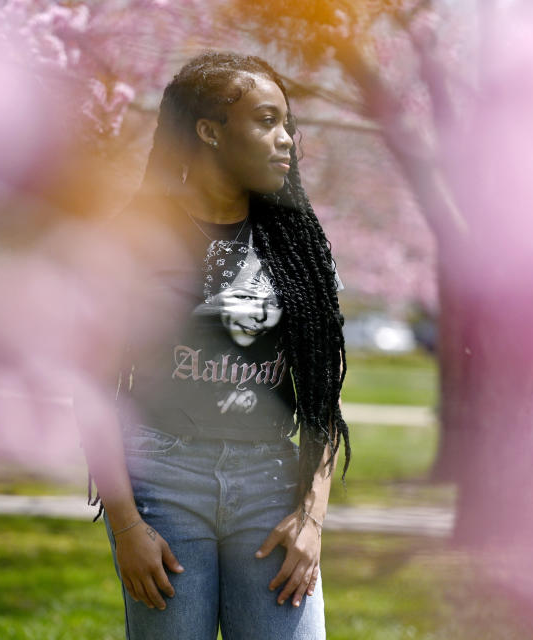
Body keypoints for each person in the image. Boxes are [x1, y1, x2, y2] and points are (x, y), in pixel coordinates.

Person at [74, 51, 349, 640]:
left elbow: (325, 400)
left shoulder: (298, 247)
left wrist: (312, 517)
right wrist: (125, 527)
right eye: (266, 121)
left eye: (287, 125)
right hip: (164, 487)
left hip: (272, 490)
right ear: (209, 131)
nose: (286, 141)